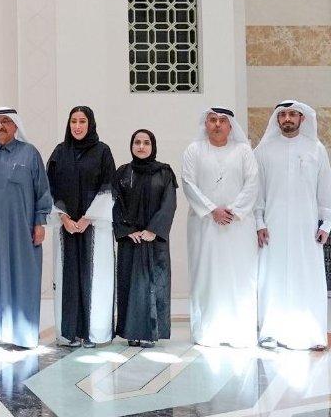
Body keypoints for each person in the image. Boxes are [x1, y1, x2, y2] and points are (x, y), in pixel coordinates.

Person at [0, 107, 52, 349]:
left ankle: (24, 335)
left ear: (16, 126)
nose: (0, 126)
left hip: (22, 230)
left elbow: (42, 191)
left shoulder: (30, 154)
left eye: (6, 121)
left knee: (24, 277)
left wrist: (39, 222)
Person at [254, 100, 331, 350]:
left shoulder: (316, 149)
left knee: (308, 275)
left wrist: (326, 223)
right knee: (271, 276)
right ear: (277, 119)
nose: (287, 118)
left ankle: (311, 331)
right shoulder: (264, 151)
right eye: (283, 114)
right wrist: (259, 221)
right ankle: (270, 332)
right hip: (272, 226)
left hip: (307, 227)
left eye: (293, 114)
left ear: (302, 119)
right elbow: (258, 191)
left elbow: (325, 191)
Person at [181, 107, 259, 348]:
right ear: (205, 124)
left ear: (230, 125)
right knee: (207, 275)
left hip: (239, 226)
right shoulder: (194, 150)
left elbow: (253, 183)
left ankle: (239, 332)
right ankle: (207, 332)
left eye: (222, 121)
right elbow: (188, 183)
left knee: (239, 277)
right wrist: (212, 209)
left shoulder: (244, 150)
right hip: (204, 225)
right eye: (212, 120)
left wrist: (233, 210)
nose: (217, 125)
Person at [47, 106, 116, 348]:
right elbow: (49, 189)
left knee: (94, 276)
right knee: (68, 277)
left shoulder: (102, 152)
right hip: (66, 227)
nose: (77, 126)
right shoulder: (59, 152)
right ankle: (69, 333)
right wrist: (64, 218)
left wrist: (88, 218)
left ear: (91, 124)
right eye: (73, 121)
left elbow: (108, 188)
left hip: (94, 227)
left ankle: (93, 333)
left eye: (82, 121)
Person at [113, 129, 177, 348]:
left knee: (153, 285)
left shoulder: (165, 173)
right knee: (130, 286)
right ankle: (131, 332)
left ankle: (150, 333)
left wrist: (153, 230)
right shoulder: (122, 173)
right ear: (131, 145)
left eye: (146, 142)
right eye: (137, 142)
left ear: (153, 146)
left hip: (153, 241)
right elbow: (115, 204)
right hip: (130, 241)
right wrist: (125, 230)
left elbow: (169, 204)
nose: (141, 146)